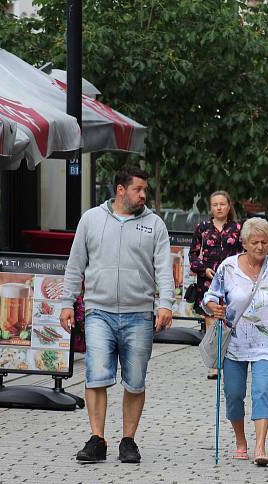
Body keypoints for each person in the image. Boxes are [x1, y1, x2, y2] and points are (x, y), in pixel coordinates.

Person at [61, 165, 174, 464]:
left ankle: (128, 441)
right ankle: (97, 439)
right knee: (96, 375)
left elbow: (164, 267)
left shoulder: (155, 224)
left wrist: (166, 303)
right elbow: (75, 265)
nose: (143, 195)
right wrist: (65, 303)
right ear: (120, 190)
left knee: (135, 381)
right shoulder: (91, 219)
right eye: (138, 189)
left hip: (139, 313)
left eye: (144, 190)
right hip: (99, 311)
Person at [202, 217, 268, 466]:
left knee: (262, 392)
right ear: (244, 242)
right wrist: (215, 308)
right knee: (234, 395)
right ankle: (240, 441)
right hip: (234, 343)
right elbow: (210, 297)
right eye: (254, 242)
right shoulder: (228, 267)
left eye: (264, 242)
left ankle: (260, 446)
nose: (260, 247)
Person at [189, 191, 243, 379]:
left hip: (233, 280)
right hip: (209, 280)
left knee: (230, 319)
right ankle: (214, 363)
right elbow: (193, 254)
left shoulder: (238, 228)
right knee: (211, 319)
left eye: (222, 204)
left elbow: (245, 253)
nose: (219, 207)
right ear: (210, 207)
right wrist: (203, 270)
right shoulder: (202, 227)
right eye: (215, 204)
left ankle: (230, 358)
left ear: (229, 206)